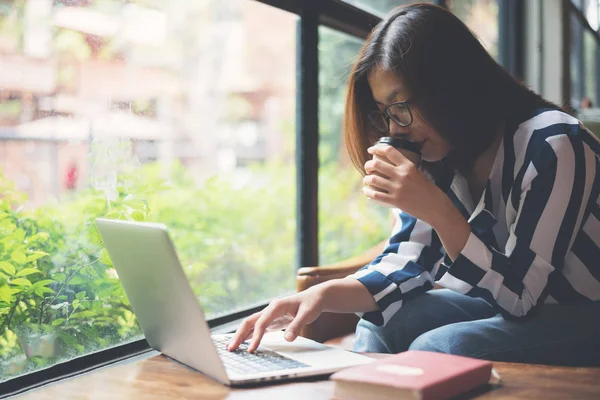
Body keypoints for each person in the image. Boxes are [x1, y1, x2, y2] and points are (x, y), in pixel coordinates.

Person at [228, 3, 600, 366]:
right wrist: (321, 295)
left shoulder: (552, 143)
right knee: (385, 320)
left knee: (439, 346)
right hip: (501, 302)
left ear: (451, 86)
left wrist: (436, 209)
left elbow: (521, 295)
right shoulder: (439, 154)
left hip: (582, 311)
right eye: (386, 113)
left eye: (400, 106)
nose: (394, 129)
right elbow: (409, 259)